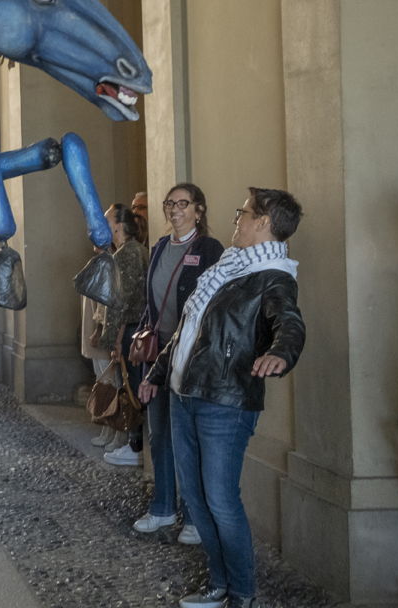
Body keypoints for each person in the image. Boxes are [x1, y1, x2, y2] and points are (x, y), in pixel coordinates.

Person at [142, 188, 305, 608]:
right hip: (184, 393)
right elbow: (188, 331)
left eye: (244, 213)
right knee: (194, 499)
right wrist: (159, 373)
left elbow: (288, 323)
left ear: (264, 223)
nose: (237, 219)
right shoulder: (228, 267)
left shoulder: (275, 275)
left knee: (219, 499)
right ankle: (217, 583)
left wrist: (280, 353)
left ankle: (243, 593)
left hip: (225, 402)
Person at [122, 183, 223, 546]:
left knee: (189, 439)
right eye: (170, 203)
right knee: (160, 432)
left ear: (199, 209)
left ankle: (195, 518)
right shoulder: (161, 247)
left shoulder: (210, 249)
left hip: (190, 355)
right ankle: (163, 507)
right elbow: (153, 302)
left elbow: (215, 304)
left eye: (184, 203)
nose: (175, 209)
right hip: (158, 350)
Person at [87, 205, 148, 450]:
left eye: (107, 220)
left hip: (130, 331)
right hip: (129, 329)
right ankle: (129, 440)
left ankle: (133, 444)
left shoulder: (128, 254)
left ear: (118, 226)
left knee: (130, 389)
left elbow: (123, 302)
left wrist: (114, 338)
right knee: (127, 386)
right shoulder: (127, 252)